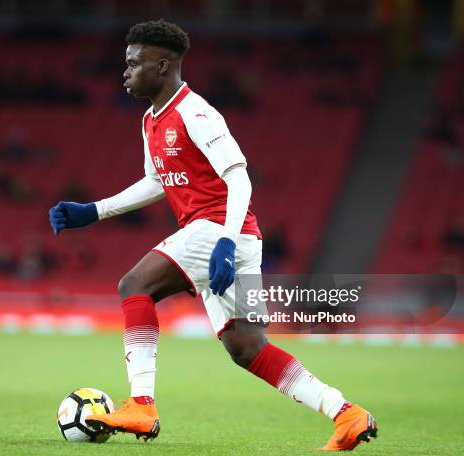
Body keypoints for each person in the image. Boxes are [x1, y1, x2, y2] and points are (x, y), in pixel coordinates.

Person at [48, 19, 377, 451]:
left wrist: (223, 239)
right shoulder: (151, 120)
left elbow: (239, 177)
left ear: (162, 65)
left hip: (218, 231)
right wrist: (95, 210)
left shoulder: (196, 113)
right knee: (248, 348)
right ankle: (346, 414)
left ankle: (142, 405)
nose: (124, 72)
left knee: (134, 286)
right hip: (240, 240)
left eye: (134, 63)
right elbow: (155, 181)